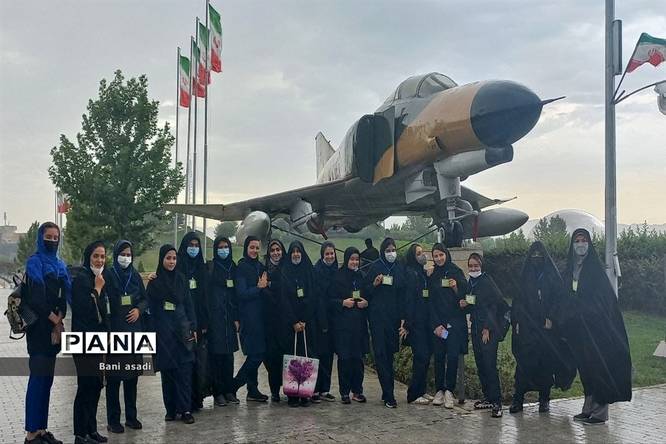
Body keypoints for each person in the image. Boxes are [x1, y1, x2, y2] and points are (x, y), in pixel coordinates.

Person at [559, 229, 632, 425]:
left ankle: (600, 413)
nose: (580, 244)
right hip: (578, 330)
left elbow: (602, 301)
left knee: (598, 368)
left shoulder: (595, 271)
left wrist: (585, 311)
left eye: (583, 240)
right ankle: (588, 409)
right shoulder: (570, 270)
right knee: (586, 369)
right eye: (577, 240)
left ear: (589, 244)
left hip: (596, 330)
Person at [510, 241, 576, 414]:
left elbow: (560, 300)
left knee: (545, 364)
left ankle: (544, 399)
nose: (536, 258)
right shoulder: (525, 276)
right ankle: (518, 399)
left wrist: (552, 319)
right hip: (528, 328)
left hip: (546, 330)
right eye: (534, 256)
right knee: (523, 365)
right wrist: (517, 321)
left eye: (540, 256)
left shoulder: (552, 276)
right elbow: (517, 301)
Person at [23, 222, 69, 444]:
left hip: (54, 332)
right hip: (39, 331)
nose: (52, 241)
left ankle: (41, 429)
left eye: (55, 237)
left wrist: (60, 317)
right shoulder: (35, 263)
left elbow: (63, 296)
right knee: (38, 380)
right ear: (41, 238)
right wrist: (54, 319)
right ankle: (31, 433)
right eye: (48, 237)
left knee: (47, 381)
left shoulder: (60, 265)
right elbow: (36, 299)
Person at [147, 245, 197, 424]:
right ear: (162, 259)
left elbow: (189, 304)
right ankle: (170, 409)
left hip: (182, 329)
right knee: (167, 372)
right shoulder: (155, 283)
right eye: (168, 258)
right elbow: (150, 309)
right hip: (164, 332)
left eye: (174, 258)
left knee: (184, 372)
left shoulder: (181, 279)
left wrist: (193, 327)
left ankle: (185, 410)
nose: (171, 261)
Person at [104, 240, 148, 433]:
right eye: (122, 254)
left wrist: (139, 310)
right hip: (115, 332)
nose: (126, 257)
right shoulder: (108, 274)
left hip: (134, 332)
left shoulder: (135, 275)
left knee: (132, 378)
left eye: (129, 254)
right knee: (114, 379)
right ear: (116, 255)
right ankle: (113, 420)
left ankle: (131, 417)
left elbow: (145, 299)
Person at [70, 241, 108, 444]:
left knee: (96, 385)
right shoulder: (82, 279)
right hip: (83, 340)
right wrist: (97, 290)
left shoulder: (100, 278)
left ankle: (91, 430)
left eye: (102, 256)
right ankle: (80, 434)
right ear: (88, 257)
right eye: (96, 256)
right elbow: (86, 310)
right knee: (85, 385)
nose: (99, 260)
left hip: (98, 340)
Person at [460, 253, 504, 418]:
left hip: (487, 331)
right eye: (471, 266)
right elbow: (474, 304)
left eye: (476, 266)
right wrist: (464, 304)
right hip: (476, 328)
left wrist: (487, 328)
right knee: (481, 364)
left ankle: (497, 402)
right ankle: (488, 397)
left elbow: (495, 305)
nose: (473, 269)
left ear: (481, 266)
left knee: (489, 365)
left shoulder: (487, 282)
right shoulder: (471, 283)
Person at [364, 237, 405, 408]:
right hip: (378, 319)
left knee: (389, 356)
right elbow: (365, 291)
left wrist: (403, 318)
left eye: (393, 250)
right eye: (388, 250)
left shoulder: (399, 268)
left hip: (393, 319)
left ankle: (387, 389)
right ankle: (389, 395)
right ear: (382, 252)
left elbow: (403, 292)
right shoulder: (375, 267)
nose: (391, 253)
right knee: (380, 355)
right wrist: (374, 284)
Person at [428, 244, 469, 408]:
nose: (439, 258)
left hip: (454, 323)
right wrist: (436, 324)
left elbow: (464, 298)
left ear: (446, 254)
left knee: (452, 356)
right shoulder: (433, 275)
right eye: (436, 256)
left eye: (441, 255)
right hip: (438, 324)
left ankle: (449, 391)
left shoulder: (456, 272)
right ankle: (439, 389)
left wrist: (455, 287)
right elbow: (430, 301)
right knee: (439, 356)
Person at [329, 247, 369, 404]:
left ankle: (357, 391)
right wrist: (342, 303)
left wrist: (366, 303)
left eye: (357, 259)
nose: (354, 262)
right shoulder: (337, 277)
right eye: (352, 259)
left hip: (359, 325)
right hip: (343, 326)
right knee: (345, 359)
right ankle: (344, 392)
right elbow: (329, 300)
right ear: (346, 260)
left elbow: (368, 296)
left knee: (358, 360)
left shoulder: (362, 276)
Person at [280, 241, 317, 407]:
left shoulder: (309, 271)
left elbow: (313, 296)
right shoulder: (285, 272)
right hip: (290, 324)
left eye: (298, 251)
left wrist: (304, 319)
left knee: (306, 357)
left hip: (306, 323)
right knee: (293, 359)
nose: (296, 254)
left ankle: (305, 393)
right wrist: (294, 321)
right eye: (293, 251)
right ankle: (292, 394)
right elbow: (283, 300)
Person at [232, 236, 269, 402]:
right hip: (249, 318)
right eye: (252, 247)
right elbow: (241, 293)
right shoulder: (242, 267)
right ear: (246, 248)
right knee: (256, 355)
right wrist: (258, 288)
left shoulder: (260, 267)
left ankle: (252, 389)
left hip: (261, 317)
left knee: (256, 354)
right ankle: (234, 385)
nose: (254, 250)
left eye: (257, 248)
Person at [206, 236, 240, 407]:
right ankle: (218, 392)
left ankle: (228, 390)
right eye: (220, 247)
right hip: (215, 318)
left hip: (230, 318)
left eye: (226, 246)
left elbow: (236, 294)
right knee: (216, 357)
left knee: (229, 357)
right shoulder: (210, 267)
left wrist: (237, 317)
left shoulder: (233, 266)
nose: (223, 250)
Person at [176, 232, 209, 411]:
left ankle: (197, 399)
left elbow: (205, 298)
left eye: (197, 245)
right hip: (183, 322)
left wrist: (203, 324)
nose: (194, 248)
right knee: (185, 364)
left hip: (200, 323)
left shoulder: (202, 268)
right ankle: (183, 401)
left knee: (199, 364)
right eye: (191, 245)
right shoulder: (178, 266)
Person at [401, 244, 433, 405]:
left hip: (425, 321)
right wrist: (407, 323)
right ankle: (413, 394)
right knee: (421, 356)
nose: (422, 255)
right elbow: (409, 299)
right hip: (416, 322)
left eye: (422, 252)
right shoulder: (410, 273)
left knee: (426, 357)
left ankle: (421, 390)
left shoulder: (421, 272)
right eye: (418, 253)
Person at [312, 241, 338, 403]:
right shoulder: (317, 271)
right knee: (318, 355)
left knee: (328, 356)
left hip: (334, 319)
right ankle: (314, 389)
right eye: (327, 254)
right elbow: (318, 298)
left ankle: (325, 389)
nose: (329, 256)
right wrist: (322, 321)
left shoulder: (336, 271)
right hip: (319, 320)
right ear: (322, 255)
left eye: (332, 253)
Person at [262, 239, 286, 402]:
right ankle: (274, 390)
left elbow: (287, 287)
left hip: (286, 320)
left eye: (278, 249)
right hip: (269, 320)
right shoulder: (264, 270)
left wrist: (270, 284)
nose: (276, 253)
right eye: (273, 250)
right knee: (272, 358)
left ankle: (289, 388)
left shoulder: (287, 268)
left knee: (286, 356)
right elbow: (261, 289)